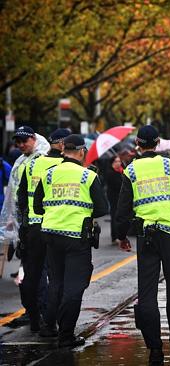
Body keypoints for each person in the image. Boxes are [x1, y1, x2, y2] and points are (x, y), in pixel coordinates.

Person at [115, 126, 170, 364]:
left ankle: (154, 349)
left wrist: (121, 235)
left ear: (137, 143)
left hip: (146, 236)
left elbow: (123, 208)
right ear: (157, 143)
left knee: (146, 294)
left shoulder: (131, 169)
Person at [32, 134, 109, 347]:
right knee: (74, 288)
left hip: (50, 235)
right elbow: (103, 208)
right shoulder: (88, 176)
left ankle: (49, 327)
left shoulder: (48, 175)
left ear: (63, 149)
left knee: (56, 282)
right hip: (76, 237)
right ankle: (66, 336)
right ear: (82, 151)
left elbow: (38, 207)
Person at [16, 128, 69, 333]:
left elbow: (22, 198)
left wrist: (25, 222)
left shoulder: (31, 166)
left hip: (33, 228)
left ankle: (34, 317)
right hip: (56, 227)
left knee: (32, 274)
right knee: (56, 276)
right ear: (63, 144)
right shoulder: (65, 166)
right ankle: (51, 321)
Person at [103, 155, 124, 245]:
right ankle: (115, 237)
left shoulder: (122, 171)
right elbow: (117, 185)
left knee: (120, 216)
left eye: (119, 161)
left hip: (121, 197)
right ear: (112, 163)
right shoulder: (110, 173)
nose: (118, 163)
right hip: (114, 197)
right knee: (115, 216)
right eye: (116, 161)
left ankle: (121, 235)